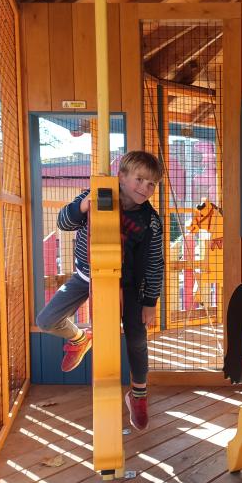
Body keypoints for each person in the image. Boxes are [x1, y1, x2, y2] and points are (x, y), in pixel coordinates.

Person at [36, 150, 165, 431]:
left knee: (137, 338)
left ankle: (138, 394)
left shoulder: (151, 221)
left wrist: (150, 301)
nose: (145, 188)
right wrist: (82, 207)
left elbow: (155, 263)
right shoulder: (95, 196)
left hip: (128, 285)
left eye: (151, 184)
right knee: (46, 320)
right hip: (87, 276)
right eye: (139, 179)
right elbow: (63, 222)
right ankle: (80, 338)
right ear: (122, 176)